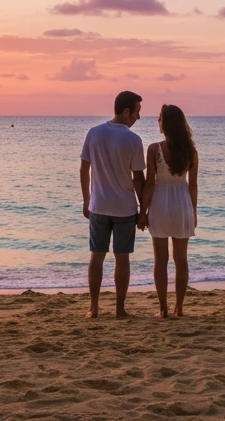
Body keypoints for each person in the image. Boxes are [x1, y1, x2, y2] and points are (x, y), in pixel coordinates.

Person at [79, 90, 146, 318]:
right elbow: (138, 178)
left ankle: (94, 308)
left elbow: (84, 168)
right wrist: (143, 209)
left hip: (98, 206)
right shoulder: (133, 140)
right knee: (122, 258)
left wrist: (87, 199)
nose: (138, 117)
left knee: (96, 256)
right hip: (125, 209)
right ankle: (119, 310)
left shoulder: (94, 133)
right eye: (137, 112)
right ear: (126, 111)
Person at [139, 104, 198, 318]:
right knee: (181, 260)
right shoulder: (191, 152)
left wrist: (143, 212)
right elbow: (193, 186)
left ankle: (162, 308)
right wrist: (194, 212)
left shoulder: (154, 149)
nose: (158, 122)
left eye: (159, 118)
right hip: (182, 205)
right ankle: (179, 308)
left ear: (166, 123)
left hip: (161, 205)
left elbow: (150, 184)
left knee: (160, 260)